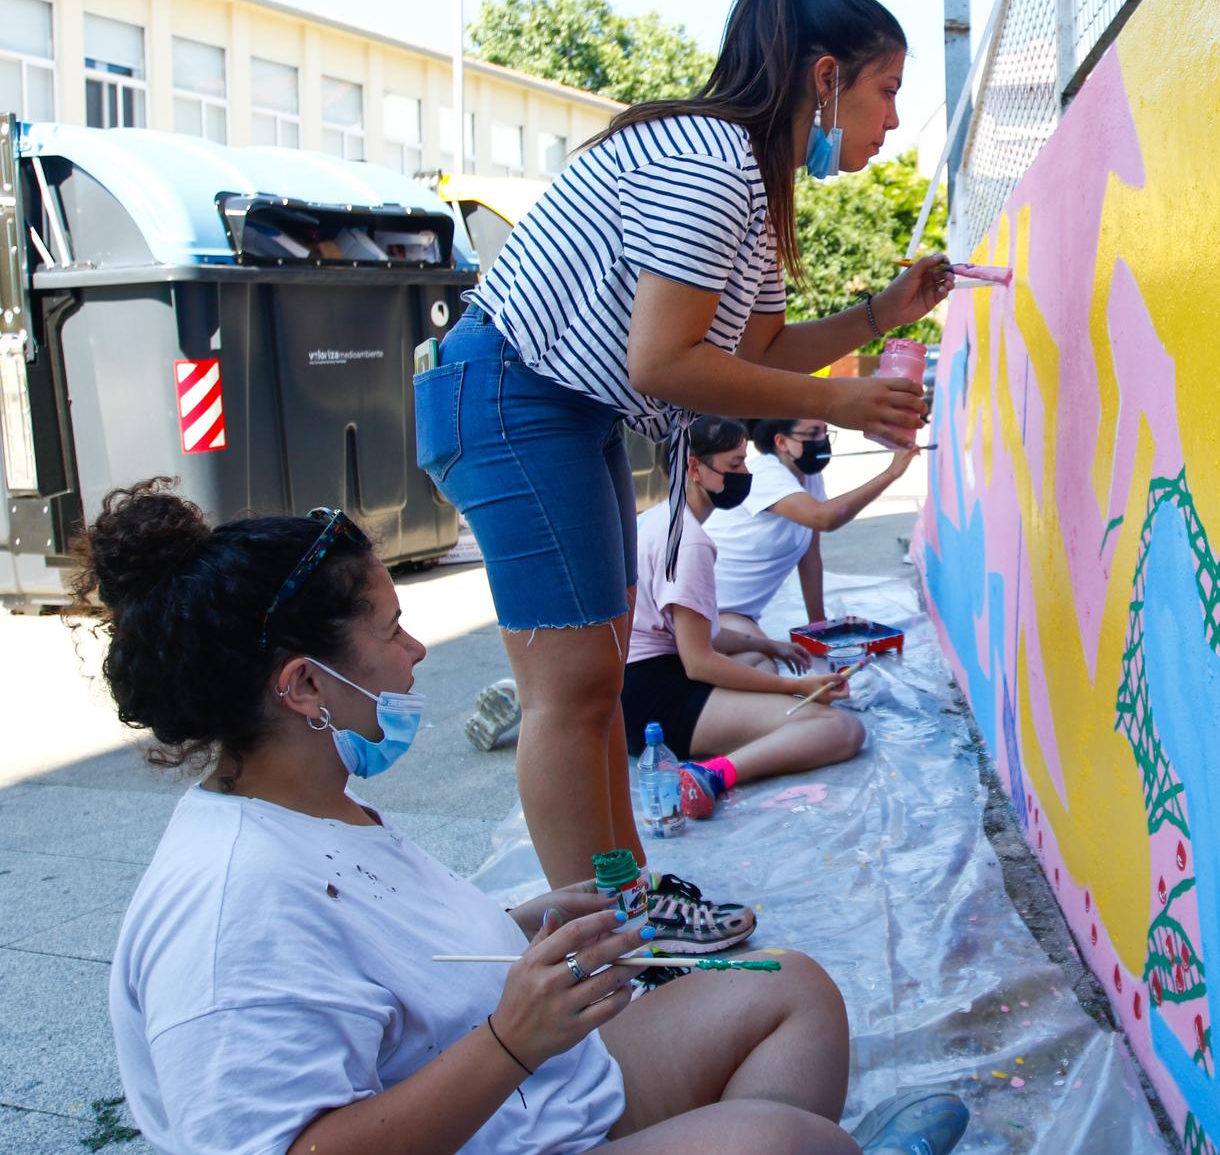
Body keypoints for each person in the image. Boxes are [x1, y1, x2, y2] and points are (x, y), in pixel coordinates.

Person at [86, 480, 969, 1155]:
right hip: (500, 1110)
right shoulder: (227, 909)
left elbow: (372, 968)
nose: (416, 651)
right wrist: (513, 1038)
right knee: (790, 1145)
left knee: (792, 990)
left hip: (531, 1100)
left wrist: (520, 926)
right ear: (305, 685)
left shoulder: (309, 808)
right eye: (391, 631)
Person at [415, 0, 952, 888]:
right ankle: (605, 934)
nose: (896, 118)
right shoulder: (709, 161)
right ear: (825, 78)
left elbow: (761, 348)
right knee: (571, 693)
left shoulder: (754, 184)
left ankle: (632, 899)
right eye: (887, 90)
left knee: (597, 689)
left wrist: (884, 316)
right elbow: (664, 364)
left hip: (558, 409)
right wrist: (845, 401)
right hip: (510, 398)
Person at [622, 416, 866, 819]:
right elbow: (699, 661)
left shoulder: (661, 519)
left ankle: (740, 739)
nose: (745, 474)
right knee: (840, 729)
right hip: (654, 701)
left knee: (758, 661)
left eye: (744, 463)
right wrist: (798, 687)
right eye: (735, 466)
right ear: (694, 469)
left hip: (637, 687)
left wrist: (764, 644)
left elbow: (697, 634)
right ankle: (710, 775)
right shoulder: (690, 542)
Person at [706, 418, 917, 644]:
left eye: (825, 432)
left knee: (760, 662)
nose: (822, 441)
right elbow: (824, 519)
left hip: (736, 613)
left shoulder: (810, 478)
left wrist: (818, 624)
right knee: (760, 664)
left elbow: (810, 557)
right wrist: (891, 473)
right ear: (782, 442)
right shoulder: (765, 474)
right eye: (813, 433)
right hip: (709, 608)